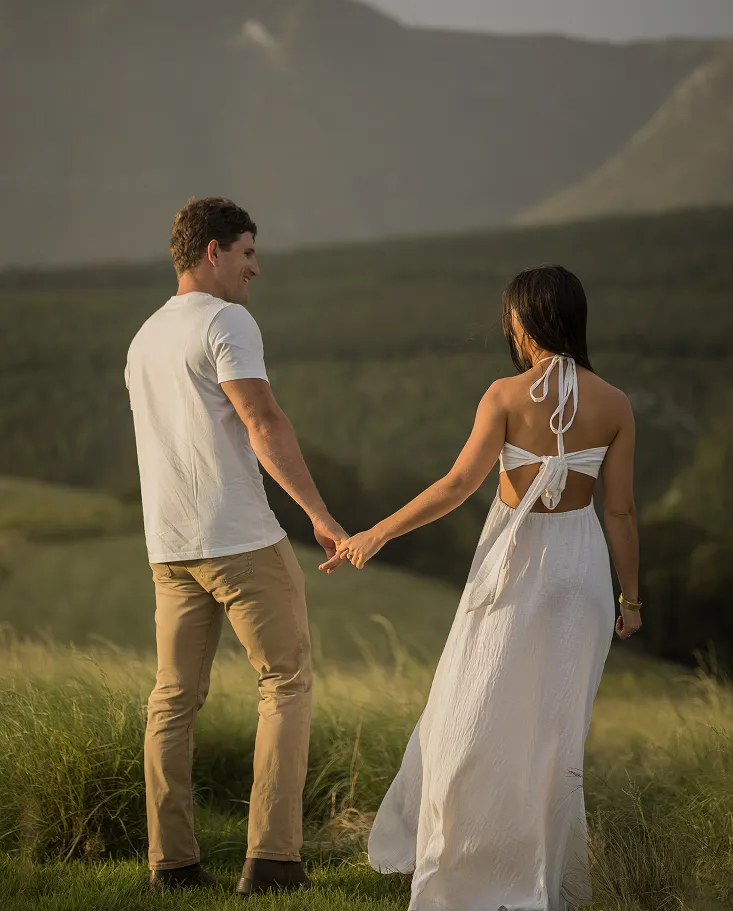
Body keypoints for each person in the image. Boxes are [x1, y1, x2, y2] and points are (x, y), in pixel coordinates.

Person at [321, 265, 642, 911]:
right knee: (553, 734)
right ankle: (542, 876)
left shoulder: (503, 394)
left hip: (511, 571)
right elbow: (619, 511)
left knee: (468, 716)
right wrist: (628, 598)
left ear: (522, 321)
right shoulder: (614, 403)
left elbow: (456, 485)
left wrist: (376, 533)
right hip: (578, 576)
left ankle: (461, 864)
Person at [125, 197, 346, 894]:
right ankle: (273, 860)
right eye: (247, 251)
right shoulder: (227, 320)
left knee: (172, 699)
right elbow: (262, 418)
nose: (256, 267)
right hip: (241, 539)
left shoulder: (143, 338)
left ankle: (174, 864)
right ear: (213, 252)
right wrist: (318, 512)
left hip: (169, 547)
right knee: (284, 683)